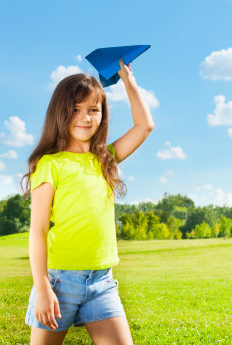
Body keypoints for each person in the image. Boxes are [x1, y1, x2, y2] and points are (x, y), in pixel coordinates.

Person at [22, 59, 154, 345]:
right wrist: (42, 286)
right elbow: (38, 230)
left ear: (102, 114)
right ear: (60, 113)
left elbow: (144, 126)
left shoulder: (105, 158)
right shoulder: (50, 164)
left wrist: (128, 81)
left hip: (101, 282)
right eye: (75, 110)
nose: (85, 117)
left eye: (94, 110)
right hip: (59, 283)